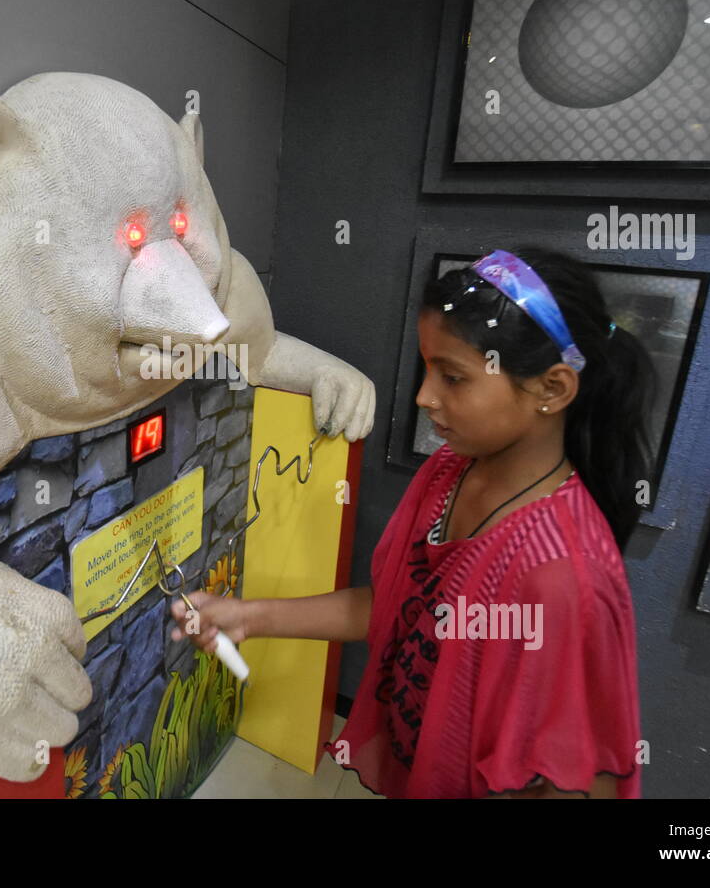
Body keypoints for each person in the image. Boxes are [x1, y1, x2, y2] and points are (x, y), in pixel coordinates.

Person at [169, 247, 655, 798]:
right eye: (427, 369)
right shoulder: (449, 472)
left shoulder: (562, 574)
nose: (425, 397)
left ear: (552, 389)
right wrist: (248, 617)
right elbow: (397, 607)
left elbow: (573, 778)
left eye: (453, 377)